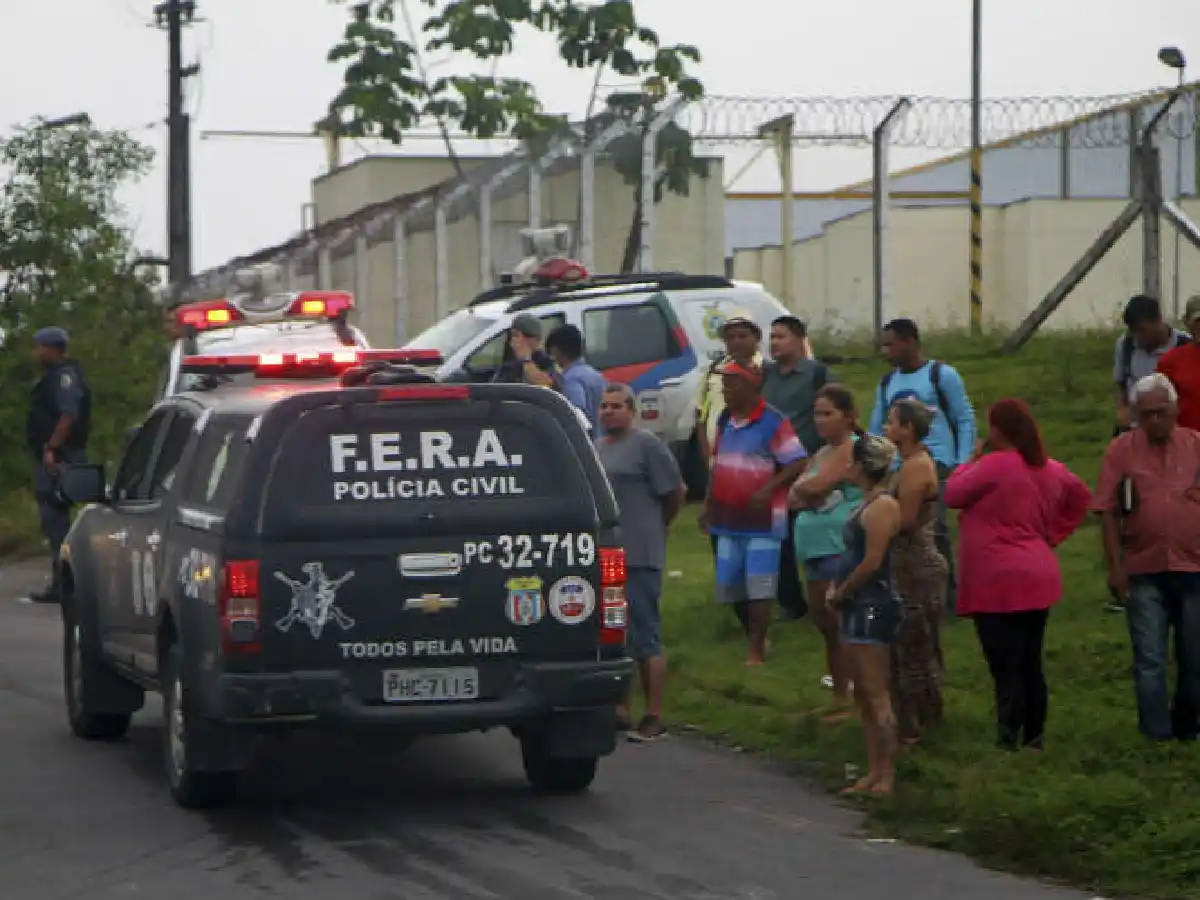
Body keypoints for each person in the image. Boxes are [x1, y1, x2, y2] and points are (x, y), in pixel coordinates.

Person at [944, 399, 1090, 750]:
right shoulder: (1049, 467)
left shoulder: (994, 465)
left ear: (997, 430)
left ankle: (1008, 738)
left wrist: (971, 459)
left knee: (1004, 665)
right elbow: (1081, 497)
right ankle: (1034, 738)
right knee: (1030, 661)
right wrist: (1053, 534)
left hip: (997, 579)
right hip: (1037, 573)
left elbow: (951, 493)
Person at [1093, 373, 1200, 741]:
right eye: (1146, 414)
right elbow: (1106, 510)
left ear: (1176, 410)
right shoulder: (1120, 451)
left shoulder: (1196, 445)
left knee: (1194, 655)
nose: (1154, 421)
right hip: (1143, 568)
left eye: (1161, 412)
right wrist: (1115, 568)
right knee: (1150, 658)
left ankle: (1189, 727)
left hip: (1194, 567)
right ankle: (1155, 735)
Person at [700, 359, 808, 666]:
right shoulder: (724, 419)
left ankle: (757, 648)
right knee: (731, 586)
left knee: (759, 585)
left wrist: (768, 489)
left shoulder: (774, 421)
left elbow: (798, 461)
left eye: (732, 384)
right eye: (724, 384)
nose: (726, 390)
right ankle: (755, 636)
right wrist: (708, 503)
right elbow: (717, 463)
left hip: (762, 521)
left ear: (751, 386)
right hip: (727, 517)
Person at [595, 383, 686, 742]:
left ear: (631, 410)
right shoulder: (598, 448)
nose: (608, 412)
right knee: (616, 630)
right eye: (603, 406)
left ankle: (655, 714)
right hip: (611, 555)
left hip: (641, 554)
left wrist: (657, 526)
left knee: (646, 632)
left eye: (616, 406)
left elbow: (676, 492)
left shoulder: (647, 444)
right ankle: (620, 707)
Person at [868, 318, 975, 618]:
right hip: (898, 465)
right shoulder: (888, 382)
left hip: (937, 462)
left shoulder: (941, 375)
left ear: (911, 342)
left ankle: (949, 598)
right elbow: (877, 425)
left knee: (935, 529)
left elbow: (964, 418)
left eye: (891, 344)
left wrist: (962, 462)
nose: (886, 351)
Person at [825, 435, 903, 796]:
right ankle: (872, 770)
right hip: (855, 604)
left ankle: (886, 773)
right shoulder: (865, 503)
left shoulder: (883, 506)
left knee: (876, 693)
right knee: (863, 695)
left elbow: (872, 561)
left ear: (862, 466)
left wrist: (844, 590)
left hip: (872, 603)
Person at [788, 384, 862, 722]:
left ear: (847, 416)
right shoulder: (820, 452)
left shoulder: (854, 449)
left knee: (843, 621)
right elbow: (793, 495)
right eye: (817, 413)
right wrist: (808, 490)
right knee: (825, 624)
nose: (820, 421)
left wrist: (810, 490)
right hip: (813, 545)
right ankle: (839, 693)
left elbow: (813, 486)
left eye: (827, 413)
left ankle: (860, 698)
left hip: (838, 543)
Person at [883, 398, 949, 744]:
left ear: (908, 429)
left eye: (891, 422)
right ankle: (911, 720)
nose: (885, 427)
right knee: (907, 645)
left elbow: (905, 520)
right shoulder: (906, 462)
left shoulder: (915, 467)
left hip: (916, 566)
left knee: (916, 646)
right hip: (905, 565)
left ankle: (922, 723)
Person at [764, 315, 832, 622]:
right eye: (772, 337)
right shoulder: (767, 376)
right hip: (776, 470)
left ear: (798, 338)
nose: (774, 343)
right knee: (781, 539)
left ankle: (828, 594)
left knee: (817, 535)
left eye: (781, 336)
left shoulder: (816, 374)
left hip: (811, 467)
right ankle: (791, 602)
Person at [25, 326, 92, 604]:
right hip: (58, 455)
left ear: (52, 348)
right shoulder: (56, 376)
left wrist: (52, 448)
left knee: (56, 520)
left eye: (39, 346)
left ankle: (64, 583)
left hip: (60, 457)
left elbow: (68, 416)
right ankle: (64, 580)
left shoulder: (64, 377)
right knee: (55, 521)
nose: (36, 352)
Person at [1114, 294, 1190, 436]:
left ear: (1158, 320)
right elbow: (1121, 383)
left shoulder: (1185, 345)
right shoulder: (1126, 345)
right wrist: (1122, 410)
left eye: (1141, 330)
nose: (1137, 336)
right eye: (1133, 331)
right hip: (1134, 430)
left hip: (1173, 429)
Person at [546, 323, 605, 434]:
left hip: (588, 444)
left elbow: (576, 416)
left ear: (556, 351)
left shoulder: (570, 380)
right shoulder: (594, 374)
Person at [1156, 294, 1200, 432]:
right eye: (1199, 320)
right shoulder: (1170, 361)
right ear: (1186, 322)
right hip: (1186, 444)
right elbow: (1159, 406)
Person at [491, 314, 561, 390]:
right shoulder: (509, 366)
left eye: (516, 336)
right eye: (512, 336)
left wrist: (525, 359)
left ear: (535, 339)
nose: (512, 343)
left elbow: (547, 389)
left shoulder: (546, 363)